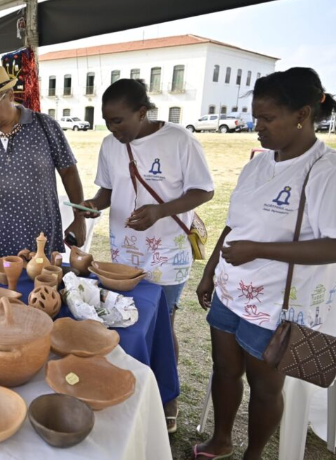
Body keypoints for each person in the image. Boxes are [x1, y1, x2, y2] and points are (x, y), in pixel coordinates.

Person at [194, 68, 336, 460]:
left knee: (265, 386)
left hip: (276, 304)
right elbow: (234, 224)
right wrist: (210, 273)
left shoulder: (324, 172)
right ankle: (221, 441)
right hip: (230, 290)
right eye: (256, 117)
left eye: (268, 119)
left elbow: (333, 245)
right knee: (224, 369)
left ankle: (253, 454)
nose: (258, 127)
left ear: (302, 114)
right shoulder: (258, 163)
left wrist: (258, 249)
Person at [78, 78, 214, 433]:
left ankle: (167, 397)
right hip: (125, 249)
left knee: (162, 322)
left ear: (142, 112)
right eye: (107, 121)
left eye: (119, 120)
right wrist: (93, 205)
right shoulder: (110, 145)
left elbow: (204, 190)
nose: (112, 128)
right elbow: (107, 190)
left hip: (167, 253)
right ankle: (132, 384)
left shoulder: (178, 140)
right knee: (127, 319)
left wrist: (161, 210)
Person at [0, 66, 86, 257]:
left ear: (10, 95)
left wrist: (80, 217)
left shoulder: (45, 126)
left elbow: (69, 172)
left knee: (40, 283)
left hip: (38, 235)